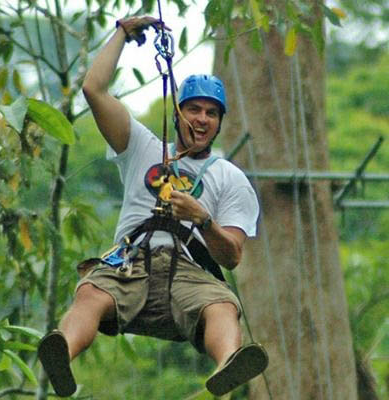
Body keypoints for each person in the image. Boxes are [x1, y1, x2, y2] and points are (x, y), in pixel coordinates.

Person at [37, 15, 269, 397]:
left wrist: (203, 219)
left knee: (223, 304)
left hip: (189, 273)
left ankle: (228, 362)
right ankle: (63, 351)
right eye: (194, 109)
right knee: (92, 291)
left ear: (220, 122)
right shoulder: (142, 147)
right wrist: (123, 33)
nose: (202, 119)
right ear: (178, 113)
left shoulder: (229, 177)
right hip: (132, 264)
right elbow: (94, 89)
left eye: (212, 113)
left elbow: (232, 257)